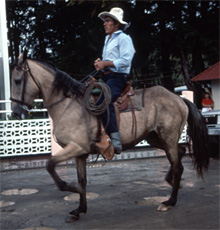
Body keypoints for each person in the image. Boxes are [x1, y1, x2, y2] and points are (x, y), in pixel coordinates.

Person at [94, 7, 135, 154]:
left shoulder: (124, 38)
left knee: (104, 101)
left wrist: (105, 63)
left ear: (116, 24)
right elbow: (110, 59)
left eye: (108, 21)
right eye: (105, 21)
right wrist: (100, 63)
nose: (105, 24)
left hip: (118, 78)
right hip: (107, 77)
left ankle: (115, 139)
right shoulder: (108, 39)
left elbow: (125, 60)